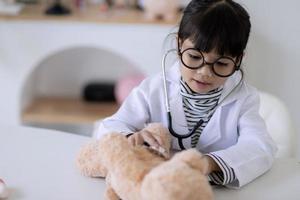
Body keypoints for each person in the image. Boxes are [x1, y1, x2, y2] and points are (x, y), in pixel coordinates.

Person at [95, 0, 277, 188]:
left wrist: (208, 163)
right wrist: (132, 137)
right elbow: (109, 128)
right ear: (179, 44)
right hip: (158, 187)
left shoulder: (244, 99)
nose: (204, 72)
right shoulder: (153, 89)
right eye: (195, 57)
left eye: (221, 63)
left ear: (238, 60)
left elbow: (261, 148)